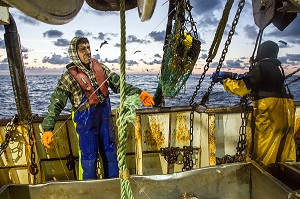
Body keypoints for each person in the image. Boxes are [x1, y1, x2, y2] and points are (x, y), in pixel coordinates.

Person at [41, 36, 154, 180]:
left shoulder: (101, 68)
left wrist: (139, 93)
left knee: (110, 151)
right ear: (75, 53)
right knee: (89, 156)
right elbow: (56, 103)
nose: (88, 51)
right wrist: (48, 128)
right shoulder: (68, 77)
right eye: (83, 49)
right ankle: (89, 191)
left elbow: (119, 85)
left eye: (88, 47)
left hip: (104, 118)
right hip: (86, 123)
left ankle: (113, 186)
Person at [212, 40, 296, 172]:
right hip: (285, 112)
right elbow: (250, 78)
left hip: (270, 114)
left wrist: (224, 81)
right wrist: (231, 75)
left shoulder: (261, 66)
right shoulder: (277, 68)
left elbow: (242, 87)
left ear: (261, 52)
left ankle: (264, 179)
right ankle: (283, 177)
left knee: (265, 153)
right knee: (282, 151)